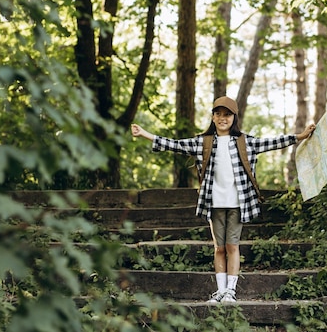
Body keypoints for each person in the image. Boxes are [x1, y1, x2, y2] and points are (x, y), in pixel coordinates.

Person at [131, 96, 315, 303]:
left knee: (232, 246)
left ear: (234, 117)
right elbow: (174, 145)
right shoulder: (203, 142)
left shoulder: (245, 142)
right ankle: (220, 291)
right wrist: (144, 133)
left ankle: (231, 291)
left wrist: (301, 136)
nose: (222, 118)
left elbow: (273, 142)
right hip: (214, 203)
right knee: (218, 248)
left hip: (238, 203)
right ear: (213, 117)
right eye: (218, 114)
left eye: (227, 114)